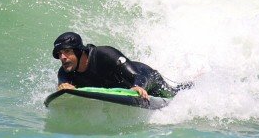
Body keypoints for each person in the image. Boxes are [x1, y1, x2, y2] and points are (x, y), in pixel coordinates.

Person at [52, 32, 191, 99]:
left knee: (172, 94)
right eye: (59, 54)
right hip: (122, 89)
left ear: (79, 51)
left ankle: (190, 86)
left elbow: (137, 75)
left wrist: (138, 85)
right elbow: (64, 86)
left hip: (145, 76)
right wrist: (63, 86)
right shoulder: (65, 72)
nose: (62, 57)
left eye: (67, 51)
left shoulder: (105, 54)